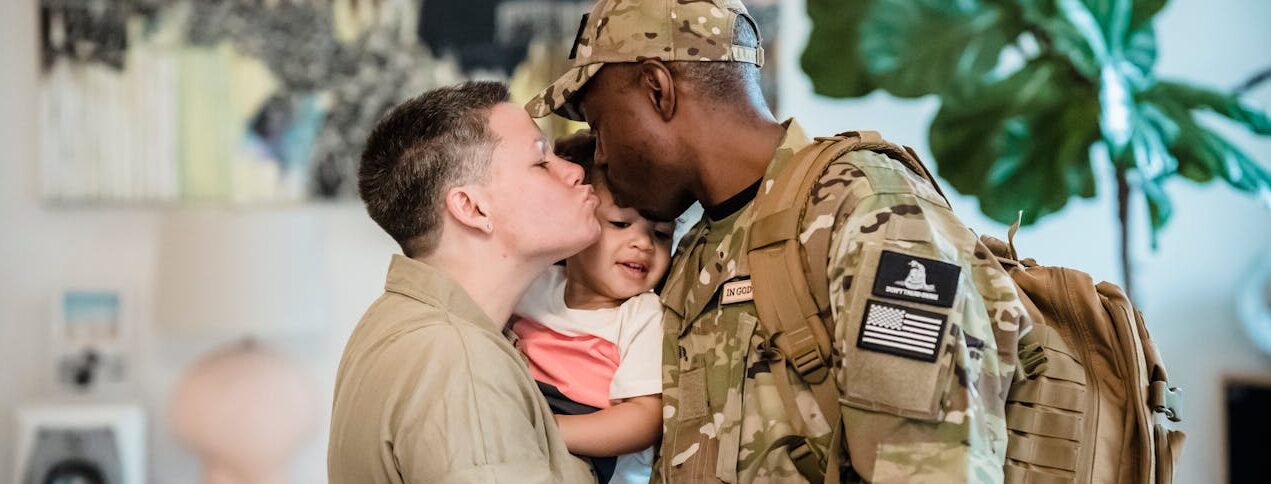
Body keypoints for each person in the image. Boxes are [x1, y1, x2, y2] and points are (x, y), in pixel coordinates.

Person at [526, 1, 1031, 483]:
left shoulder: (866, 211)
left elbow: (929, 466)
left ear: (659, 89)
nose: (605, 156)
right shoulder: (694, 251)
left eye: (602, 125)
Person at [329, 81, 598, 484]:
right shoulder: (460, 361)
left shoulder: (400, 323)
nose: (575, 171)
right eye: (541, 161)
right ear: (472, 208)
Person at [509, 132, 673, 484]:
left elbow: (643, 418)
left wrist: (551, 429)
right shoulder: (536, 284)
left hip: (595, 462)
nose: (643, 243)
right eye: (620, 223)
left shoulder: (642, 315)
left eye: (661, 233)